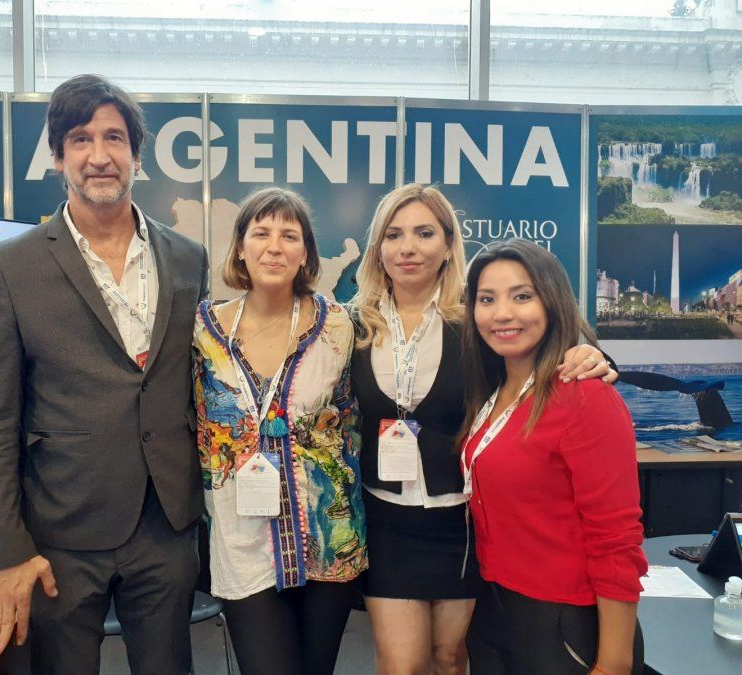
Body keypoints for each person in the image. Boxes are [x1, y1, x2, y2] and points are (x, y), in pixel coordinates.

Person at [0, 74, 208, 675]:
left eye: (114, 138)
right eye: (80, 139)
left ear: (135, 155)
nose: (99, 155)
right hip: (61, 534)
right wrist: (6, 553)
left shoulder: (186, 256)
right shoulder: (9, 268)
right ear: (57, 157)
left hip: (165, 524)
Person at [349, 184, 615, 675]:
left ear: (449, 245)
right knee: (402, 664)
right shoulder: (353, 326)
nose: (408, 247)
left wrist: (594, 355)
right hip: (388, 523)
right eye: (394, 235)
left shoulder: (477, 320)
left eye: (424, 233)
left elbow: (545, 353)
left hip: (463, 524)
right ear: (378, 249)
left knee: (450, 660)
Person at [192, 187, 366, 675]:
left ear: (306, 252)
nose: (275, 246)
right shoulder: (203, 331)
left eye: (290, 235)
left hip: (328, 538)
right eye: (261, 233)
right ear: (240, 248)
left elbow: (353, 415)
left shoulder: (340, 326)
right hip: (242, 539)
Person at [460, 239, 646, 675]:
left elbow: (616, 537)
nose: (502, 313)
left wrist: (614, 663)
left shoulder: (584, 395)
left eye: (522, 296)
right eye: (487, 299)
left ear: (553, 301)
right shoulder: (492, 391)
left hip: (564, 622)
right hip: (495, 610)